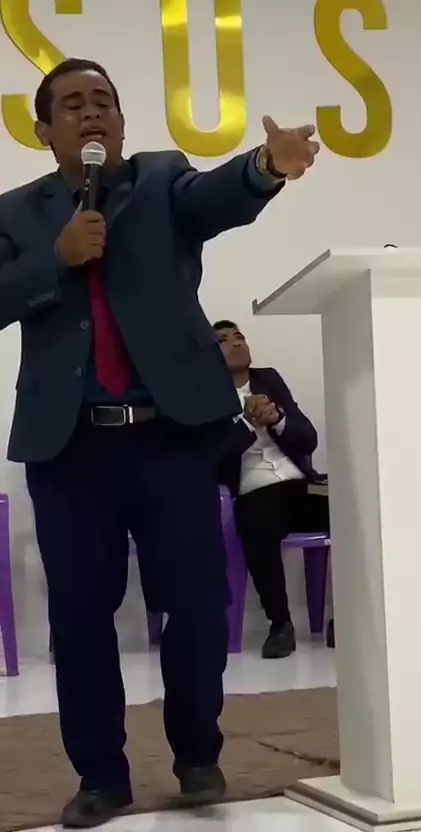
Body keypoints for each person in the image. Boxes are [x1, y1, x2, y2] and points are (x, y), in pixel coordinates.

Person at [0, 58, 320, 827]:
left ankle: (198, 753)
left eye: (103, 101)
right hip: (69, 451)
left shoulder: (159, 180)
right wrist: (55, 257)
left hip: (171, 439)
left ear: (121, 121)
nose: (91, 113)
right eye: (72, 104)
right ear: (43, 130)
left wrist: (265, 167)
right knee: (81, 619)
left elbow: (218, 196)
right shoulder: (15, 215)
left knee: (199, 604)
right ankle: (101, 777)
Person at [215, 321, 330, 659]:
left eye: (239, 337)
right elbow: (212, 458)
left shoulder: (269, 380)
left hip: (299, 484)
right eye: (223, 340)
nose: (236, 343)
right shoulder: (206, 393)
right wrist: (247, 424)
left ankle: (350, 616)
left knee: (352, 507)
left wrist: (277, 419)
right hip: (254, 490)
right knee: (259, 524)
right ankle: (280, 624)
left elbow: (308, 439)